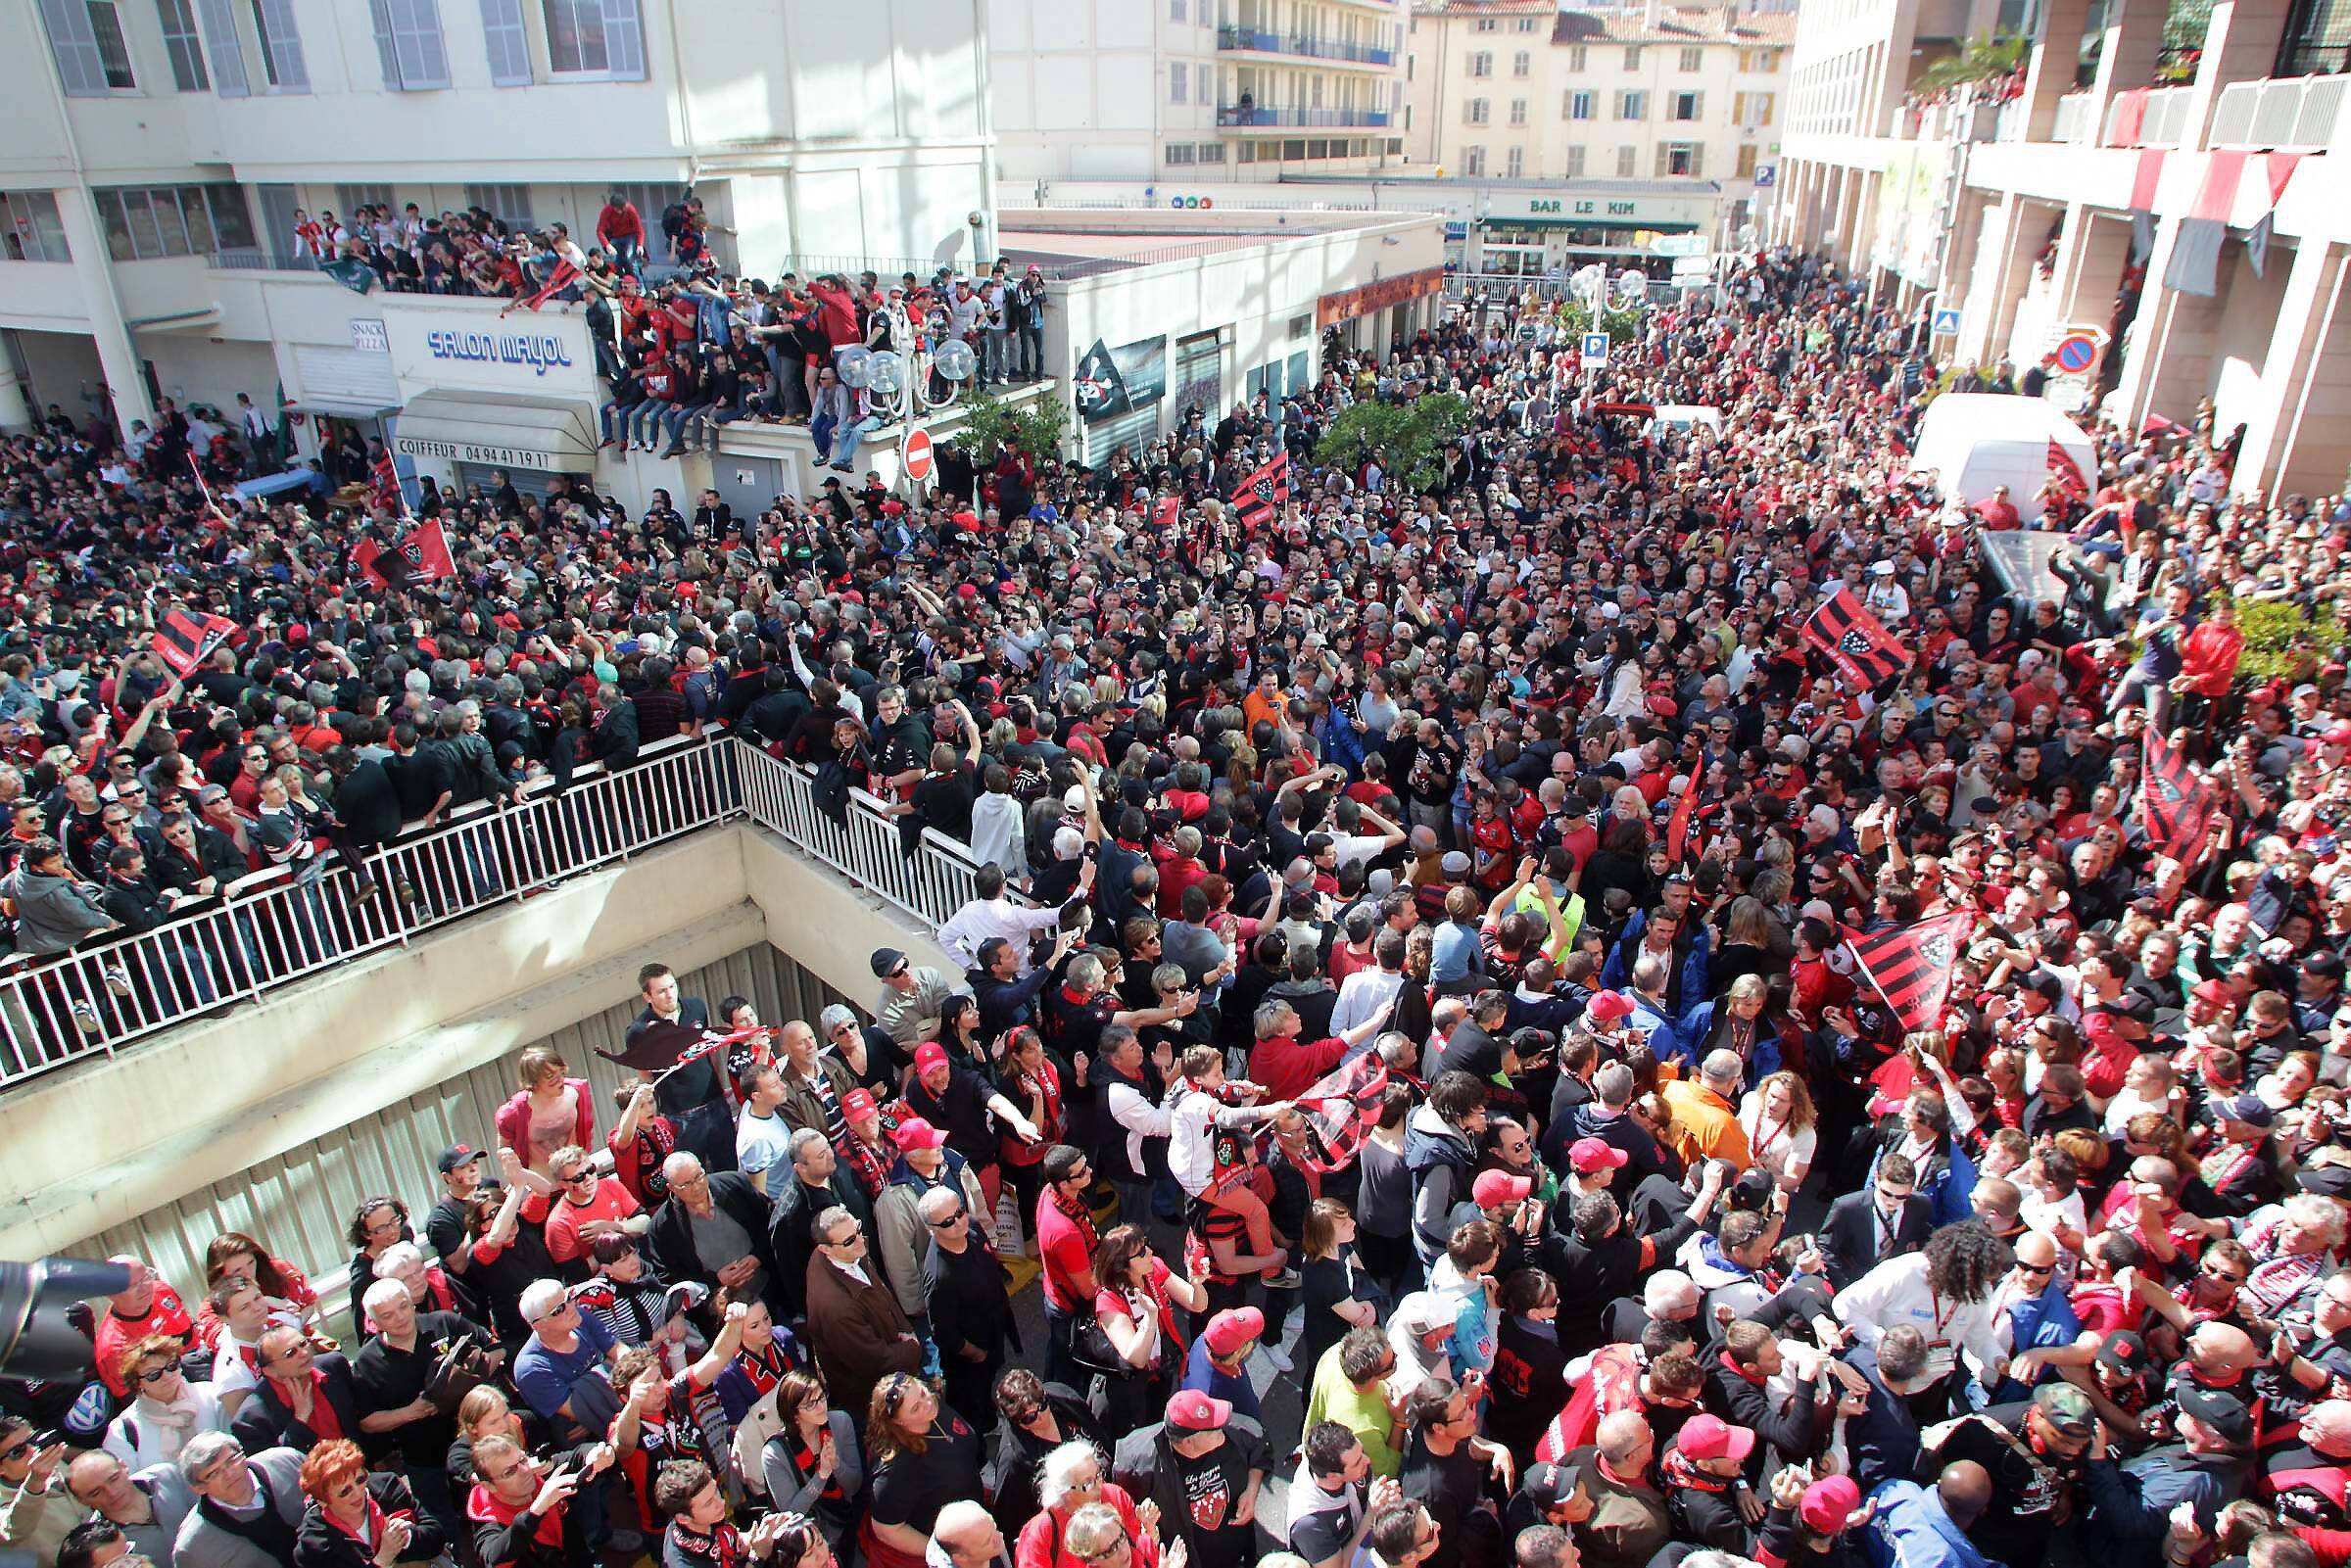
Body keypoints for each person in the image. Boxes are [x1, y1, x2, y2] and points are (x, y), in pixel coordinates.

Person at [1111, 1391, 1270, 1568]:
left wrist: (1252, 1490)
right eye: (1213, 1431)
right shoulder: (1140, 1464)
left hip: (1237, 1552)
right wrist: (1146, 1526)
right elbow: (1126, 1517)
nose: (1222, 1430)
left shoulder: (1226, 1426)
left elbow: (1261, 1450)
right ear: (1188, 1443)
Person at [803, 1206, 924, 1414]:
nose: (861, 1240)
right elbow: (875, 1362)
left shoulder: (846, 1254)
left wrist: (904, 1328)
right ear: (825, 1249)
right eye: (849, 1240)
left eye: (858, 1229)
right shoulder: (835, 1308)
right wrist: (912, 1347)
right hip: (871, 1399)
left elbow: (881, 1293)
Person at [863, 1371, 985, 1568]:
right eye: (915, 1408)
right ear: (898, 1422)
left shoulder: (933, 1406)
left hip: (974, 1519)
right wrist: (942, 1553)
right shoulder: (895, 1469)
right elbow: (886, 1530)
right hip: (955, 1547)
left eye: (922, 1393)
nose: (927, 1403)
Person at [290, 1437, 446, 1568]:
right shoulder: (313, 1546)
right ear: (323, 1502)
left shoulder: (387, 1487)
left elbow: (436, 1538)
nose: (358, 1493)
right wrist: (382, 1559)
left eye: (360, 1479)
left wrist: (407, 1537)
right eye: (345, 1491)